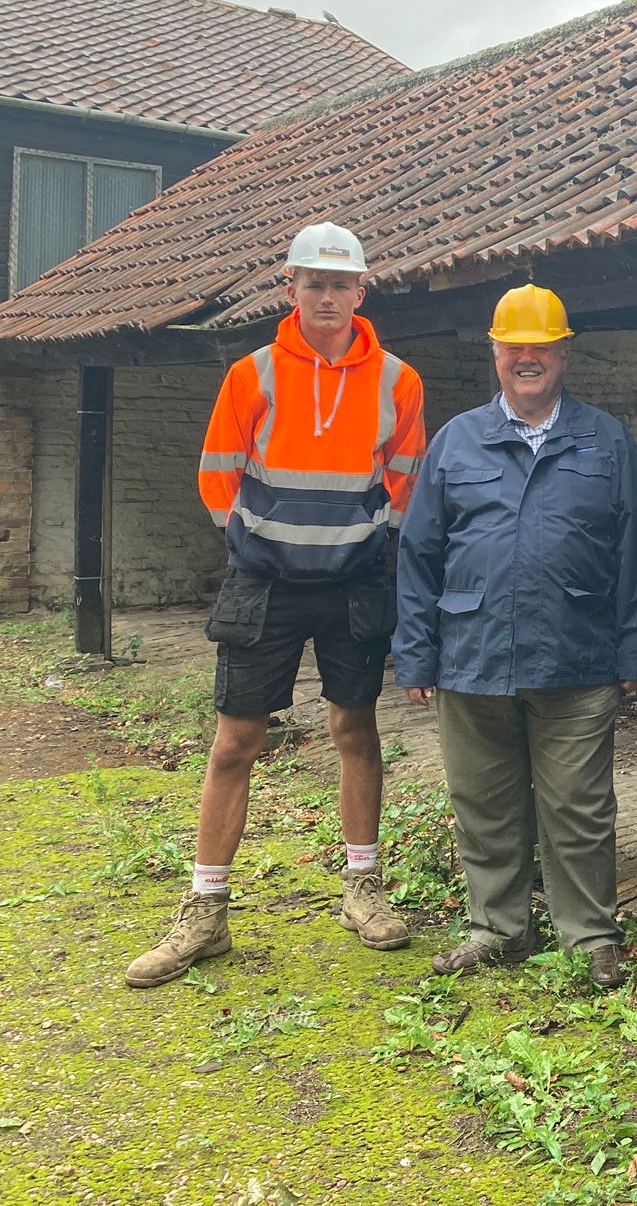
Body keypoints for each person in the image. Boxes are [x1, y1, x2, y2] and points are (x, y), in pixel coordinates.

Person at [125, 221, 424, 989]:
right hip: (265, 585)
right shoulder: (253, 373)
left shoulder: (398, 381)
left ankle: (363, 887)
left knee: (355, 729)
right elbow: (217, 473)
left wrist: (358, 543)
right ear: (289, 288)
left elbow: (405, 482)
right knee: (234, 743)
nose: (327, 296)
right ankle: (206, 910)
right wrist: (261, 544)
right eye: (313, 283)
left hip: (353, 584)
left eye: (341, 284)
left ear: (362, 291)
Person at [393, 284, 637, 990]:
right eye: (515, 346)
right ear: (496, 353)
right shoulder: (456, 441)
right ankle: (496, 928)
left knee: (578, 806)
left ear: (564, 352)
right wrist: (415, 651)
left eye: (541, 345)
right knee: (484, 804)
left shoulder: (606, 441)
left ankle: (590, 935)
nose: (527, 358)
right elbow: (420, 553)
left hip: (576, 658)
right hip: (470, 655)